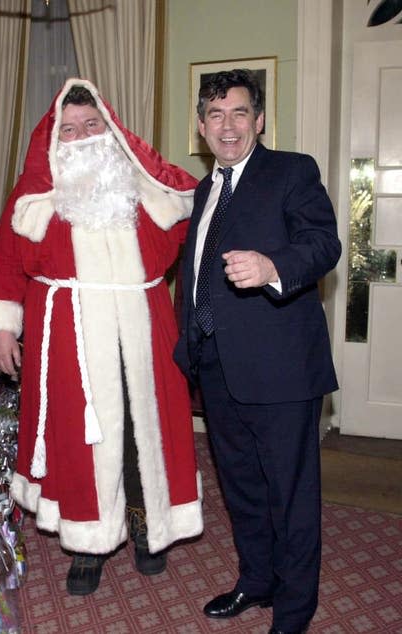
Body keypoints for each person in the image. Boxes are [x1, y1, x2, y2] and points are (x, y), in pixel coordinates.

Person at [0, 78, 203, 596]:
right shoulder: (34, 194)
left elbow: (199, 219)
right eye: (70, 129)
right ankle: (88, 544)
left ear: (111, 129)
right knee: (80, 440)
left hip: (143, 328)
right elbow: (6, 262)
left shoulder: (145, 184)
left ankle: (148, 530)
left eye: (92, 126)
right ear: (55, 139)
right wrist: (2, 328)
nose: (82, 138)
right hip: (67, 332)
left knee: (142, 433)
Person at [174, 69, 341, 634]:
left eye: (240, 113)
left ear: (260, 120)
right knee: (241, 487)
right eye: (216, 115)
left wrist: (274, 267)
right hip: (217, 366)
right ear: (201, 126)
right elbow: (195, 273)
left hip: (282, 369)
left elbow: (323, 243)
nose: (228, 126)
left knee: (291, 496)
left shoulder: (291, 171)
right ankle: (256, 580)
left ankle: (294, 610)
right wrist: (188, 346)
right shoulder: (204, 189)